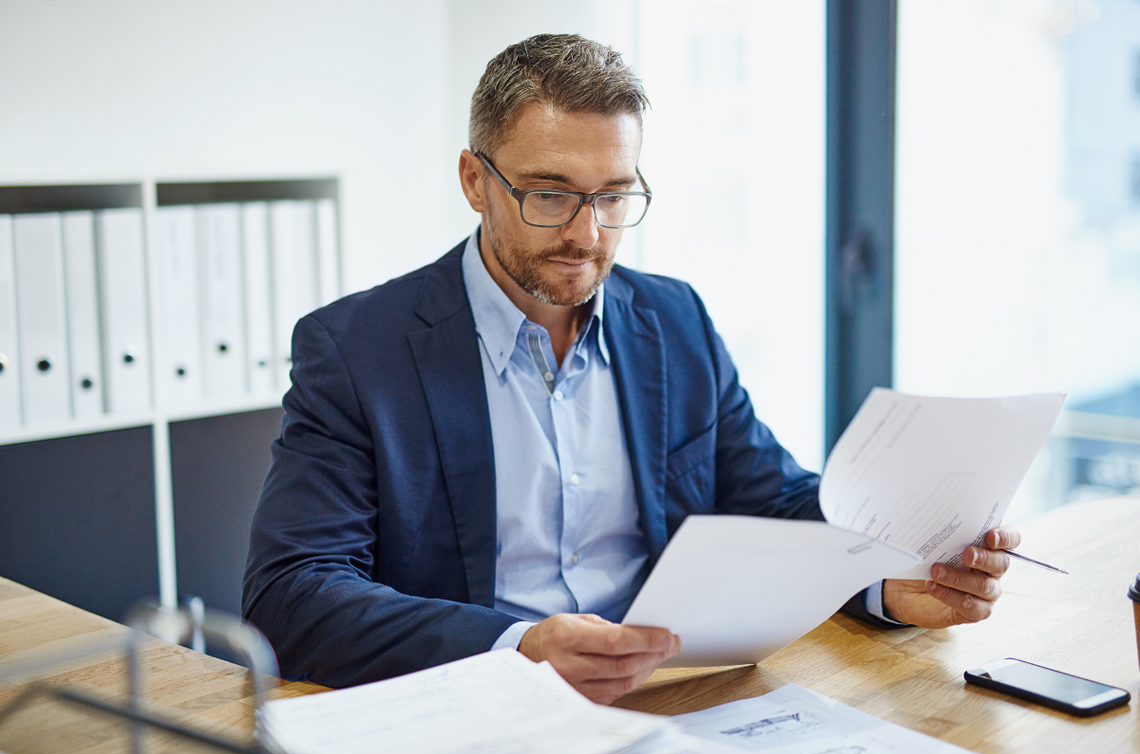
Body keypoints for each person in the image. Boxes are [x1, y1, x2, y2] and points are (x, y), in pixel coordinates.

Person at [242, 33, 1022, 706]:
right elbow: (293, 594)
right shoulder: (356, 350)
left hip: (669, 697)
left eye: (614, 196)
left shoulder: (673, 320)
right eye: (550, 194)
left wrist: (889, 581)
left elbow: (771, 504)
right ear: (476, 182)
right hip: (479, 713)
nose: (587, 234)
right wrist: (516, 645)